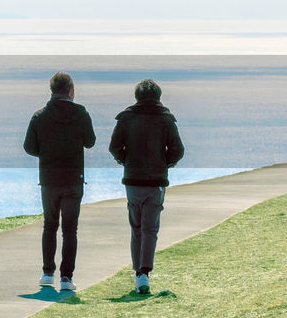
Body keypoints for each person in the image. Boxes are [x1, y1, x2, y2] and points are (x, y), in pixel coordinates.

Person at [109, 79, 185, 295]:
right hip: (156, 181)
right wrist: (165, 163)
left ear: (137, 96)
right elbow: (178, 150)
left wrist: (126, 161)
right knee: (150, 228)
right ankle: (144, 273)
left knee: (136, 227)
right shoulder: (166, 119)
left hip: (133, 180)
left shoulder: (125, 118)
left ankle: (138, 273)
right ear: (158, 96)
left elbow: (114, 147)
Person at [23, 72, 96, 293]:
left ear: (52, 91)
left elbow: (29, 147)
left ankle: (47, 273)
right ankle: (66, 277)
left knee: (50, 225)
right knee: (70, 229)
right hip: (73, 179)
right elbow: (90, 142)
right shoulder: (80, 113)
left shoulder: (40, 116)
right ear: (72, 91)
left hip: (49, 179)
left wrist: (46, 153)